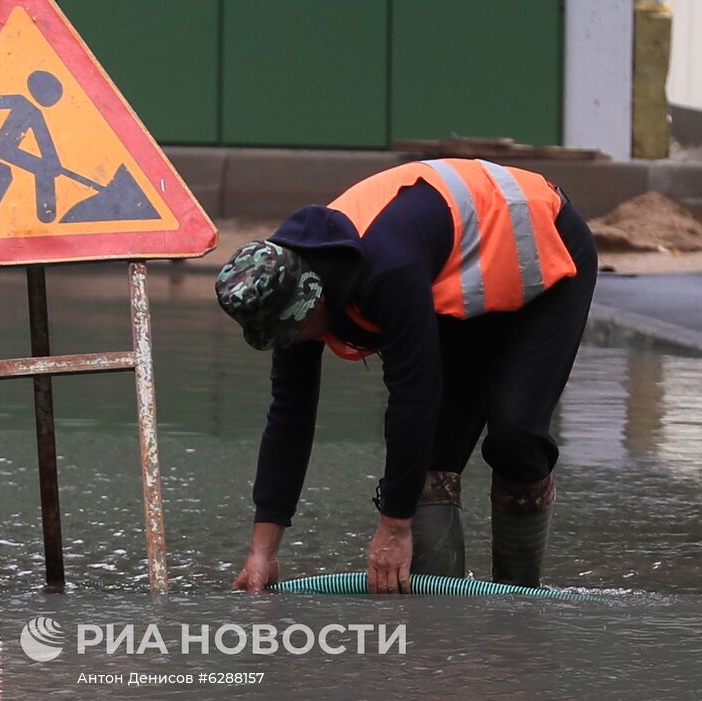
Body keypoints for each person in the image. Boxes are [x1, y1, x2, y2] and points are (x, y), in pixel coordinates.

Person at [215, 158, 597, 594]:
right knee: (431, 461)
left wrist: (394, 528)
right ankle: (440, 623)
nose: (295, 341)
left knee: (515, 433)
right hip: (460, 273)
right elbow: (289, 417)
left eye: (295, 329)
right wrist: (263, 552)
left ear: (313, 297)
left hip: (544, 250)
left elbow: (413, 393)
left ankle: (520, 602)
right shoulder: (287, 286)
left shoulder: (386, 269)